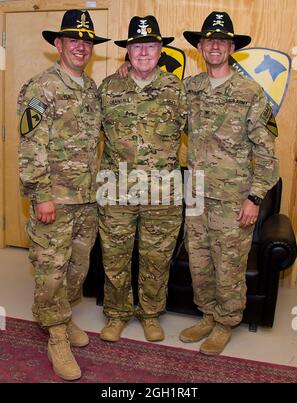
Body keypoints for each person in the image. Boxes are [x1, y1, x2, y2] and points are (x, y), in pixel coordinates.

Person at [179, 11, 279, 355]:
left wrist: (255, 197)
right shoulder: (189, 88)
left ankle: (226, 322)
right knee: (200, 261)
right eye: (209, 40)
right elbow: (158, 106)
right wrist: (126, 70)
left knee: (228, 266)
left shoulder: (251, 92)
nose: (215, 46)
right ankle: (208, 315)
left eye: (222, 41)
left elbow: (266, 152)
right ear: (201, 47)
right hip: (195, 194)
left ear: (231, 47)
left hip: (231, 198)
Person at [18, 9, 109, 381]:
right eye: (74, 40)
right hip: (53, 198)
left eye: (86, 41)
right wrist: (41, 195)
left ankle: (64, 315)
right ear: (59, 44)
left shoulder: (90, 89)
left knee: (77, 267)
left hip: (86, 198)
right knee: (50, 270)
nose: (81, 47)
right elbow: (30, 146)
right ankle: (55, 333)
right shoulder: (41, 87)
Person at [97, 15, 187, 343]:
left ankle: (150, 313)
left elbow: (204, 135)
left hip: (162, 195)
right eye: (137, 46)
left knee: (156, 258)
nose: (144, 52)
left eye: (150, 45)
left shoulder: (178, 90)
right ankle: (118, 314)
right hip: (116, 191)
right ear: (128, 52)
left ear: (160, 49)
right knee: (115, 256)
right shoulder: (108, 88)